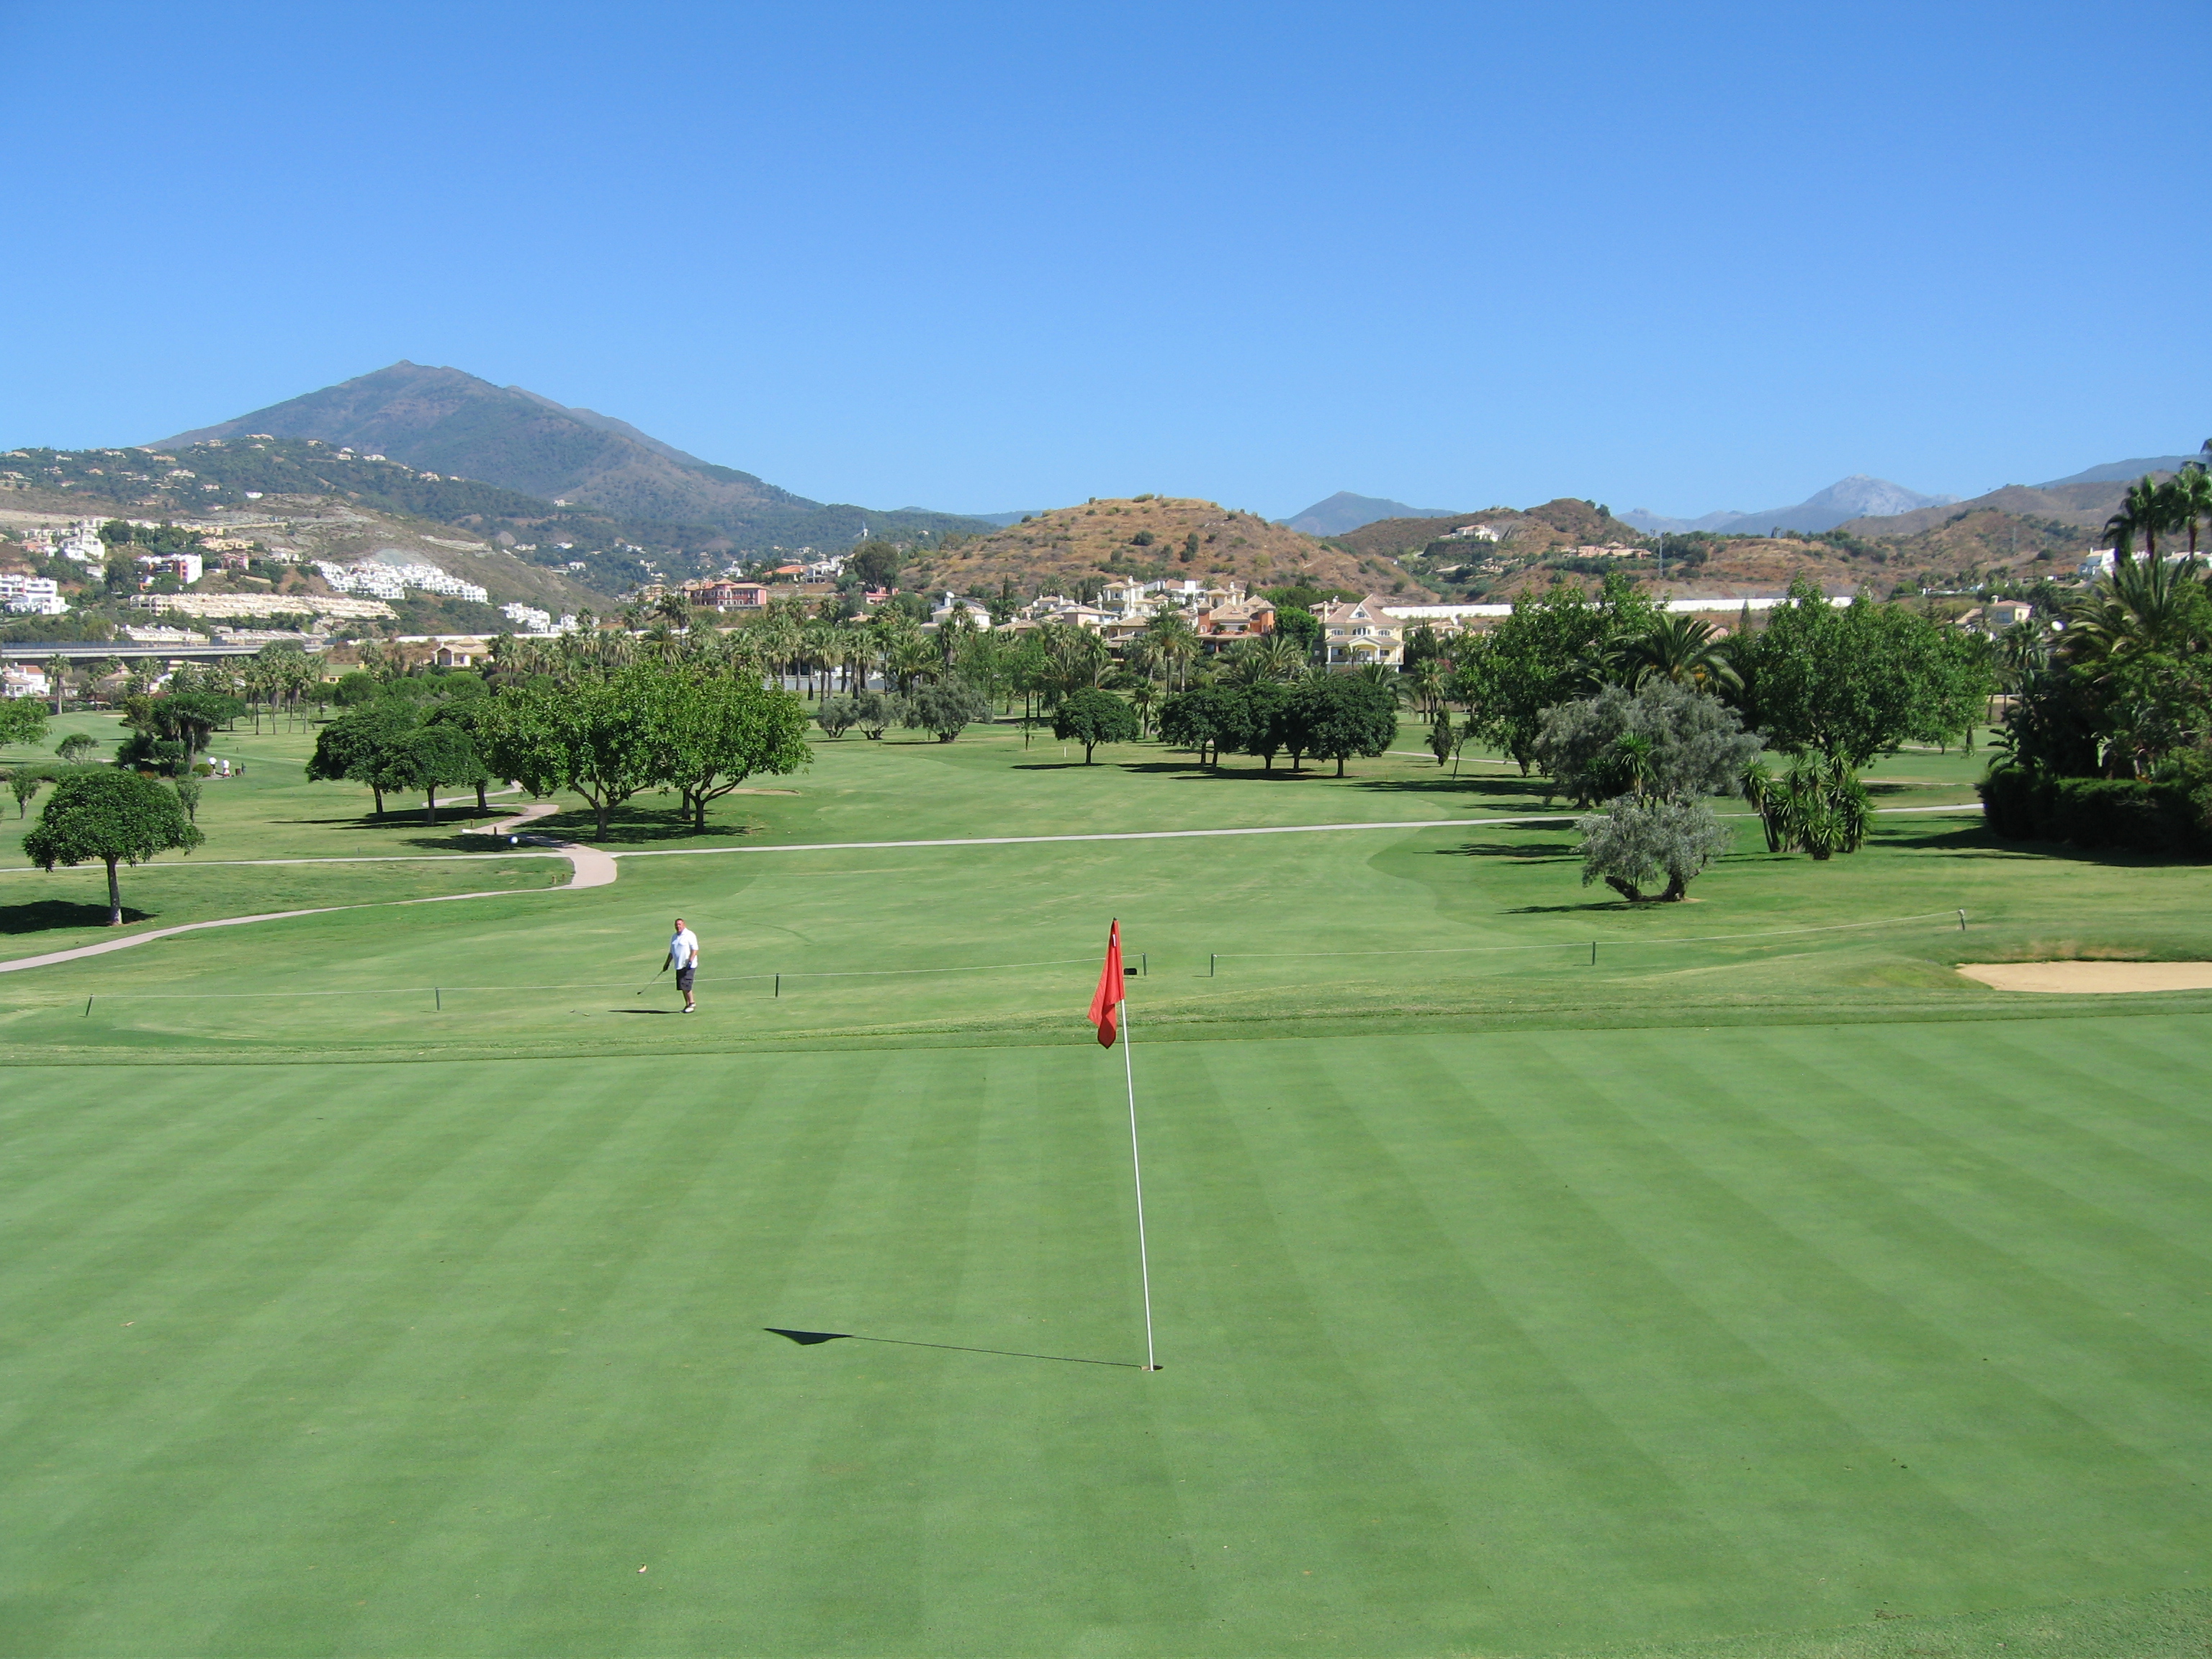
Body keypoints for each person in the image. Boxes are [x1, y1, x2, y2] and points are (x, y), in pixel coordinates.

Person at [667, 916, 701, 1012]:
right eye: (676, 925)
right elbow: (671, 952)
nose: (678, 926)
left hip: (688, 965)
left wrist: (690, 960)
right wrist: (667, 964)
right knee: (682, 985)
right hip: (679, 965)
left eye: (680, 924)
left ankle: (692, 1003)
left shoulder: (689, 935)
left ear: (684, 925)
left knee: (686, 984)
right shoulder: (674, 937)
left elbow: (695, 949)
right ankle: (687, 1005)